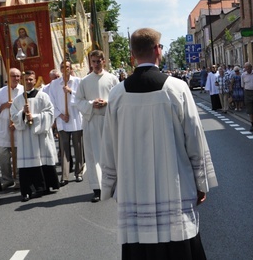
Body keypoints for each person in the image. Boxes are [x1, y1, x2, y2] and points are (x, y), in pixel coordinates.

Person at [101, 28, 217, 259]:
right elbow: (194, 138)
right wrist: (200, 181)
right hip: (174, 188)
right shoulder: (177, 89)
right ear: (157, 50)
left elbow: (109, 145)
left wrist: (110, 184)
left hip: (133, 191)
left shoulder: (116, 94)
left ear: (132, 54)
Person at [76, 50, 119, 203]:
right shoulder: (85, 81)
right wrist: (91, 104)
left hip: (108, 120)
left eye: (98, 61)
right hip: (92, 121)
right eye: (93, 61)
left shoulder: (113, 79)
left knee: (110, 154)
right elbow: (77, 101)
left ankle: (113, 185)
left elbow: (119, 99)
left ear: (103, 61)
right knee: (93, 156)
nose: (95, 64)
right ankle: (97, 189)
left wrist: (106, 103)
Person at [11, 70, 58, 201]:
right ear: (22, 81)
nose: (29, 82)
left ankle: (45, 186)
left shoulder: (43, 96)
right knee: (27, 162)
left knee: (41, 158)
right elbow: (14, 116)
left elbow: (50, 113)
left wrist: (35, 117)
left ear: (35, 80)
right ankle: (28, 190)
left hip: (40, 135)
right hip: (25, 136)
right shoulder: (18, 100)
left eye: (31, 79)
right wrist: (22, 114)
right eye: (26, 80)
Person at [48, 60, 84, 185]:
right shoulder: (54, 84)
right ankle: (65, 176)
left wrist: (70, 91)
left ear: (71, 68)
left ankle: (78, 172)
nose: (65, 69)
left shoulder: (77, 81)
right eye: (62, 67)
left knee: (78, 146)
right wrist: (61, 115)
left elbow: (81, 98)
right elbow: (51, 101)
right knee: (64, 148)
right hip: (62, 119)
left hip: (75, 118)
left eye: (67, 67)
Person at [0, 68, 23, 191]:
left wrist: (16, 122)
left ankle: (18, 179)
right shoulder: (0, 92)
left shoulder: (23, 90)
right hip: (3, 127)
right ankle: (7, 179)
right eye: (13, 76)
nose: (16, 78)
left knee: (18, 155)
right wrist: (4, 105)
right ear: (8, 77)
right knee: (3, 156)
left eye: (18, 76)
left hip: (17, 127)